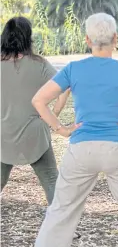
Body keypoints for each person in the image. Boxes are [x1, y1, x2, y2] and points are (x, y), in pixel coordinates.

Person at [32, 13, 118, 247]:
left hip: (82, 149)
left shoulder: (73, 69)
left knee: (60, 212)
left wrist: (61, 129)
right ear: (116, 38)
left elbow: (39, 100)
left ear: (87, 39)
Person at [1, 16, 70, 205]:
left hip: (3, 135)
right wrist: (52, 115)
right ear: (28, 37)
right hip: (34, 133)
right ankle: (64, 230)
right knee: (50, 180)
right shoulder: (39, 64)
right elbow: (65, 88)